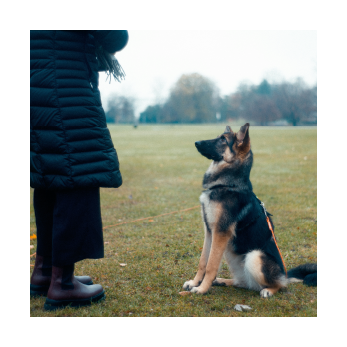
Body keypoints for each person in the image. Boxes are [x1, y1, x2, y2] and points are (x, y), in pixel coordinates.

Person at [30, 30, 129, 311]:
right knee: (79, 170)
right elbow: (112, 36)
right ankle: (63, 284)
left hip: (35, 80)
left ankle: (45, 272)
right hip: (64, 83)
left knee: (52, 172)